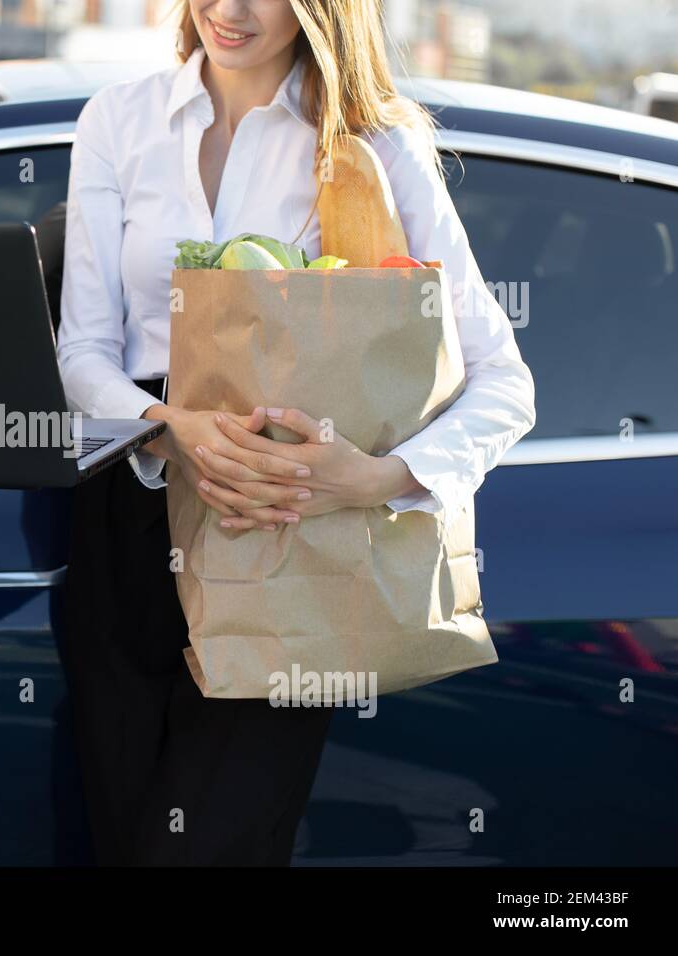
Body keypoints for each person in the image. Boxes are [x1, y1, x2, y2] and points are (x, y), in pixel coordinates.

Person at [55, 0, 535, 866]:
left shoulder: (373, 145)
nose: (228, 11)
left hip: (288, 537)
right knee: (122, 844)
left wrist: (379, 481)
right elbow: (83, 352)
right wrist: (169, 429)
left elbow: (504, 382)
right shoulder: (117, 120)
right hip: (125, 527)